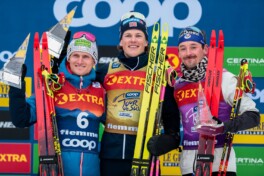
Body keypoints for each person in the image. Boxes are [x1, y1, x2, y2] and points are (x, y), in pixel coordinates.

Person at [149, 26, 260, 176]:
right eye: (183, 48)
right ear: (179, 52)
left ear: (205, 49)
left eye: (193, 47)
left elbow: (253, 116)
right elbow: (172, 124)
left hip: (219, 164)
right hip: (189, 166)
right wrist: (167, 140)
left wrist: (222, 127)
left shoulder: (224, 79)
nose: (188, 53)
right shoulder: (176, 84)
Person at [9, 31, 105, 176]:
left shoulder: (101, 91)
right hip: (55, 169)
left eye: (86, 56)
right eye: (75, 55)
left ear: (94, 61)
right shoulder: (53, 86)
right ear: (69, 58)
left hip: (92, 171)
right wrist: (16, 85)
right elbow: (21, 118)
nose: (80, 61)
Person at [96, 11, 180, 176]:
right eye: (128, 35)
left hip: (145, 155)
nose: (133, 40)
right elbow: (79, 85)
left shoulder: (160, 73)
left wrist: (170, 139)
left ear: (146, 41)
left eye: (138, 35)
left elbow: (171, 117)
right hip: (111, 156)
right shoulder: (104, 70)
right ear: (121, 41)